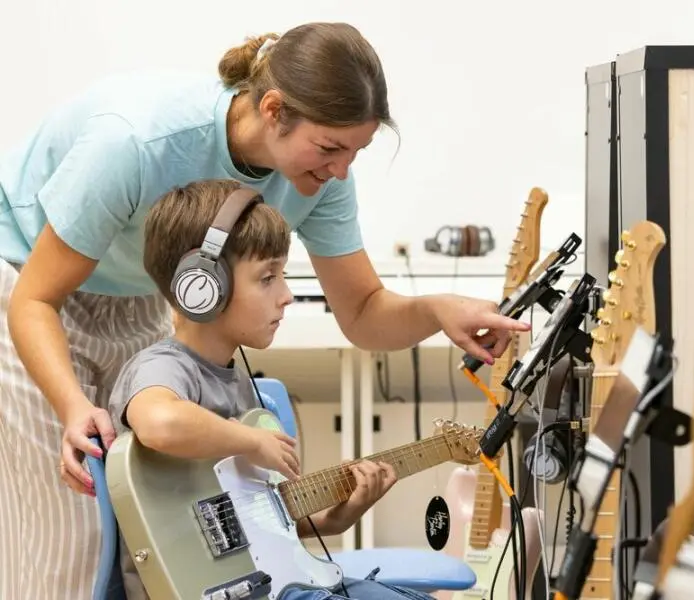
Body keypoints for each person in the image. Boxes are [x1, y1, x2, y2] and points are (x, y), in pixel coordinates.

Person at [0, 21, 529, 599]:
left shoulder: (322, 175)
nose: (341, 171)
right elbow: (35, 298)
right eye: (329, 148)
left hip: (138, 295)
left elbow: (363, 311)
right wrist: (73, 407)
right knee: (76, 545)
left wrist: (436, 309)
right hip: (27, 281)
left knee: (156, 526)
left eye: (357, 151)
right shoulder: (136, 141)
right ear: (274, 109)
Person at [108, 178, 429, 600]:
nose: (287, 295)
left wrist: (337, 517)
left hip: (261, 584)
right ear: (204, 288)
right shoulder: (166, 367)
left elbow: (252, 527)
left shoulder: (239, 384)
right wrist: (250, 440)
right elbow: (160, 422)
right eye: (267, 278)